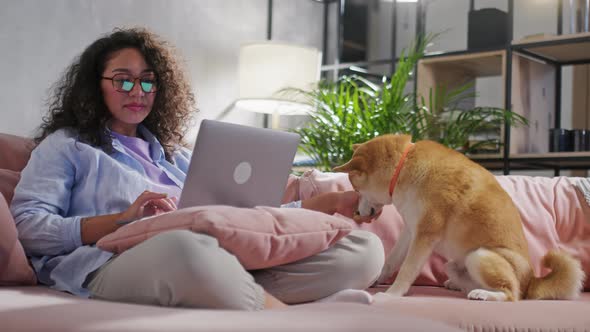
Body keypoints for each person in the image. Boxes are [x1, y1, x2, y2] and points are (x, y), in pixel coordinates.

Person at [10, 27, 384, 310]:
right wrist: (120, 220)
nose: (137, 91)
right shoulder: (67, 146)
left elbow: (240, 218)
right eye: (122, 79)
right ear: (96, 86)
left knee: (363, 248)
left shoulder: (179, 157)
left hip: (218, 257)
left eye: (148, 81)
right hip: (111, 262)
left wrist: (328, 204)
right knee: (185, 250)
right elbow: (27, 226)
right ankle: (292, 314)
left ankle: (242, 295)